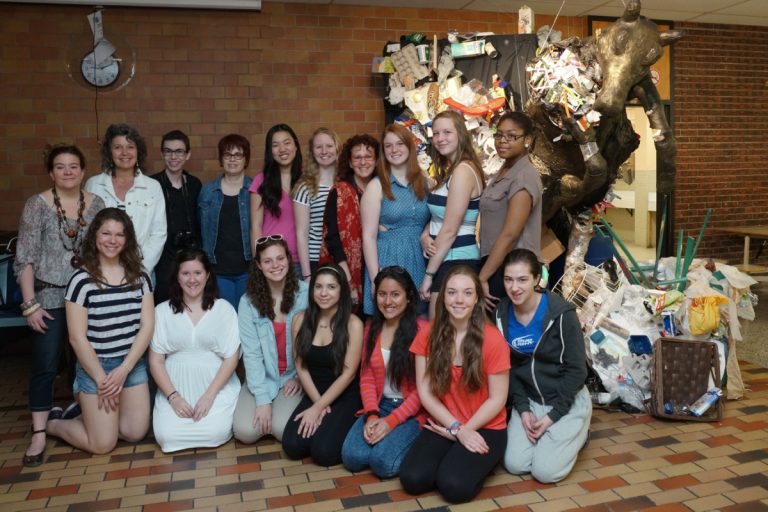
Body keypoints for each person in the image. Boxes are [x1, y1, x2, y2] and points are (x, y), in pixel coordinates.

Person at [15, 145, 105, 466]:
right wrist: (30, 304)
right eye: (60, 167)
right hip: (48, 296)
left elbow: (104, 250)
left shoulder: (96, 205)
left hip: (87, 297)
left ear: (83, 171)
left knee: (86, 361)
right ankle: (40, 432)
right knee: (46, 364)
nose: (67, 172)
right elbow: (25, 257)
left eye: (73, 166)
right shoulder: (36, 206)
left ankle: (84, 416)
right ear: (51, 172)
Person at [47, 208, 153, 454]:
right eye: (106, 233)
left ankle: (88, 416)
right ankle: (55, 423)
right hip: (97, 368)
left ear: (128, 240)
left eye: (119, 234)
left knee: (134, 433)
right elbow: (76, 336)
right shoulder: (81, 280)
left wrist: (125, 368)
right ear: (95, 236)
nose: (112, 240)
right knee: (103, 445)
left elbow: (147, 327)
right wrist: (102, 379)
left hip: (131, 365)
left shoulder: (140, 276)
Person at [400, 266, 510, 504]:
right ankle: (457, 455)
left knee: (453, 487)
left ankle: (482, 461)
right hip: (447, 422)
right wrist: (457, 430)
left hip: (486, 426)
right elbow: (426, 391)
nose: (459, 300)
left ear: (477, 298)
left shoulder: (492, 339)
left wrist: (465, 431)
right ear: (443, 297)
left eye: (467, 293)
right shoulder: (428, 334)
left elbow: (497, 399)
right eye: (452, 292)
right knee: (413, 479)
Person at [494, 249, 590, 483]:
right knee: (515, 464)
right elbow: (511, 368)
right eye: (508, 280)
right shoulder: (501, 314)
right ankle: (555, 438)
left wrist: (553, 416)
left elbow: (577, 369)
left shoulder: (561, 314)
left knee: (545, 473)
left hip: (565, 400)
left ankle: (579, 430)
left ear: (537, 279)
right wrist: (523, 409)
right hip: (531, 400)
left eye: (522, 279)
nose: (514, 287)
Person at [149, 249, 240, 453]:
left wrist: (209, 396)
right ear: (177, 277)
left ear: (207, 275)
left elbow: (231, 359)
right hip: (175, 386)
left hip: (215, 386)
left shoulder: (224, 309)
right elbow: (155, 361)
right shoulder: (162, 311)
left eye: (198, 273)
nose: (192, 279)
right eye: (186, 273)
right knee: (166, 436)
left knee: (215, 432)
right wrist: (174, 397)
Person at [341, 266, 426, 478]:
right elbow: (367, 378)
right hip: (380, 406)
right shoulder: (371, 330)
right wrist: (371, 415)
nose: (387, 302)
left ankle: (416, 442)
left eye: (395, 294)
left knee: (382, 464)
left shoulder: (424, 331)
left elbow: (425, 390)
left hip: (413, 411)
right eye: (382, 294)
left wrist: (392, 422)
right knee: (352, 457)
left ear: (408, 298)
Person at [281, 263, 363, 467]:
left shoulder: (353, 324)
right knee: (292, 446)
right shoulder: (300, 320)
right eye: (318, 287)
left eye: (331, 287)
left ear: (342, 290)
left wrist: (318, 407)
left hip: (344, 395)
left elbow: (349, 374)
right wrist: (317, 404)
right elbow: (301, 367)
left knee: (323, 453)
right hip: (314, 392)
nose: (323, 293)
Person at [234, 235, 308, 443]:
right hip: (263, 377)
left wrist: (301, 378)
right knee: (245, 432)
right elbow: (251, 354)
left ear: (288, 259)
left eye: (280, 258)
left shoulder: (306, 294)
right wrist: (262, 400)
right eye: (267, 261)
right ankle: (267, 404)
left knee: (283, 429)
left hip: (293, 378)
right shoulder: (248, 302)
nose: (275, 265)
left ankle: (282, 409)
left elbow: (316, 345)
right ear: (258, 265)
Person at [420, 110, 485, 319]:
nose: (440, 138)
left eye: (447, 132)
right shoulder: (452, 169)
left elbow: (449, 230)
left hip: (456, 261)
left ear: (461, 134)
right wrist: (425, 234)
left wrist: (429, 276)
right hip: (446, 258)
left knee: (440, 333)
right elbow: (442, 216)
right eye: (436, 134)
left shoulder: (463, 171)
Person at [361, 124, 430, 316]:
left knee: (420, 322)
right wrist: (376, 279)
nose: (394, 150)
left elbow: (437, 216)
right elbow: (368, 237)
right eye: (388, 146)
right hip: (390, 259)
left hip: (421, 260)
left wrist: (425, 232)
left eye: (399, 144)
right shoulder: (376, 186)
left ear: (409, 146)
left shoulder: (425, 182)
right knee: (390, 322)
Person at [479, 112, 542, 311]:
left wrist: (481, 278)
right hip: (494, 264)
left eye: (512, 136)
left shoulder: (524, 176)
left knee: (503, 331)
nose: (502, 141)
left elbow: (510, 234)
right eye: (499, 135)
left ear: (528, 139)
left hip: (511, 271)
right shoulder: (505, 170)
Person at [85, 124, 166, 277]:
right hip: (100, 270)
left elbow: (158, 233)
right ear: (109, 151)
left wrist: (140, 267)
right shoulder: (94, 184)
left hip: (140, 270)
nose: (124, 153)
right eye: (118, 147)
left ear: (138, 151)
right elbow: (89, 229)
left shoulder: (152, 187)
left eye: (130, 147)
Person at [319, 134, 379, 313]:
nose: (363, 162)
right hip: (346, 272)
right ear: (350, 163)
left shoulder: (383, 190)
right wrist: (348, 282)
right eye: (357, 158)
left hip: (376, 266)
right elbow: (333, 240)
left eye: (368, 157)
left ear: (376, 161)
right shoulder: (339, 193)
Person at [198, 134, 253, 308]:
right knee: (225, 319)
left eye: (238, 155)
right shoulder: (208, 191)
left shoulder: (255, 189)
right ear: (221, 159)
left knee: (248, 321)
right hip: (218, 270)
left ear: (246, 159)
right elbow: (201, 229)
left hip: (248, 270)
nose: (232, 159)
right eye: (228, 155)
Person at [150, 130, 202, 304]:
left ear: (188, 154)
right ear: (162, 154)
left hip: (190, 259)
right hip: (162, 261)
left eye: (179, 151)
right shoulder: (152, 184)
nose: (173, 156)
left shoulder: (194, 184)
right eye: (168, 151)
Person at [249, 124, 302, 268]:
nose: (282, 149)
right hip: (272, 261)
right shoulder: (261, 180)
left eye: (287, 143)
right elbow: (256, 226)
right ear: (270, 151)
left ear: (296, 146)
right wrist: (259, 263)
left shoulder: (307, 179)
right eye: (275, 145)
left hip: (302, 261)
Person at [293, 128, 340, 280]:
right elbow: (301, 234)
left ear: (337, 148)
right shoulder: (305, 187)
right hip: (316, 260)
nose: (324, 151)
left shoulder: (346, 182)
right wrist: (307, 274)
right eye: (318, 147)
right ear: (313, 152)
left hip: (343, 258)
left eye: (329, 146)